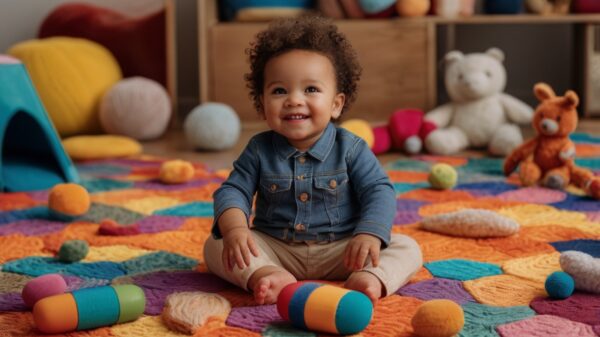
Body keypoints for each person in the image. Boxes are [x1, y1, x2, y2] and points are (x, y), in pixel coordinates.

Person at [204, 16, 422, 305]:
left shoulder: (351, 148)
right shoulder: (258, 149)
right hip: (277, 249)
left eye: (310, 89)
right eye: (279, 90)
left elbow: (378, 190)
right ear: (262, 103)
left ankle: (372, 277)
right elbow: (233, 191)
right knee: (216, 245)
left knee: (408, 247)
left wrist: (369, 234)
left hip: (344, 249)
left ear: (336, 104)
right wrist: (236, 230)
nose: (294, 99)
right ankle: (266, 275)